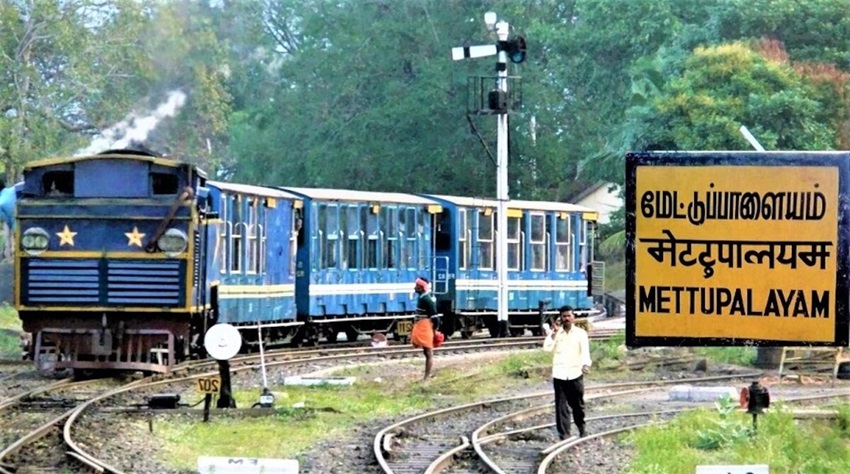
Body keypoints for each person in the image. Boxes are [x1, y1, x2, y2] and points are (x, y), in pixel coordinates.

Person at [543, 305, 592, 440]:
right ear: (560, 318)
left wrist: (586, 365)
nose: (566, 319)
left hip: (575, 373)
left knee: (577, 405)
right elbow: (547, 348)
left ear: (573, 317)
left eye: (568, 316)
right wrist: (553, 333)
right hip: (559, 374)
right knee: (561, 407)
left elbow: (585, 352)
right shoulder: (556, 334)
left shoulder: (581, 334)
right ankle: (564, 435)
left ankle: (582, 428)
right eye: (563, 316)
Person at [410, 276, 438, 380]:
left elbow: (435, 317)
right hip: (422, 326)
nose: (415, 287)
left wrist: (434, 330)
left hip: (426, 327)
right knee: (426, 352)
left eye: (417, 286)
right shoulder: (422, 298)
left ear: (422, 287)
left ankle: (427, 377)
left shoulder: (427, 299)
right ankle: (426, 376)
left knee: (428, 352)